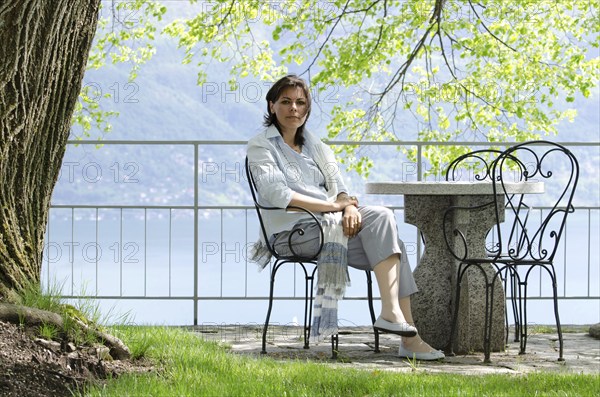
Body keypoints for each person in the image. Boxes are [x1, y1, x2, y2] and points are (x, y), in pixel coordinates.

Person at [247, 74, 444, 360]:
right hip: (292, 234)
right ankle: (399, 325)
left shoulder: (315, 145)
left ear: (308, 108)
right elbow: (278, 195)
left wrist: (349, 207)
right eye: (286, 102)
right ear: (271, 106)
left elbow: (339, 187)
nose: (294, 109)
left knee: (393, 242)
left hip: (329, 226)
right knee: (383, 222)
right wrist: (335, 208)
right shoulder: (260, 146)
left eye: (301, 103)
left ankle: (404, 331)